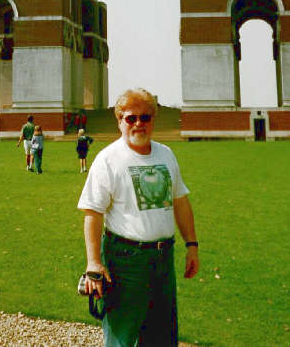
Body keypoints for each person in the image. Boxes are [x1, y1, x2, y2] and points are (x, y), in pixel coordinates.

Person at [77, 88, 199, 347]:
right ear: (119, 120)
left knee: (161, 337)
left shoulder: (166, 154)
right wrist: (93, 262)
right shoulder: (107, 159)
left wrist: (192, 245)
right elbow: (93, 212)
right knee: (122, 337)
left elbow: (180, 201)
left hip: (163, 257)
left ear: (154, 119)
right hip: (126, 261)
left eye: (145, 117)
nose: (138, 124)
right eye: (131, 118)